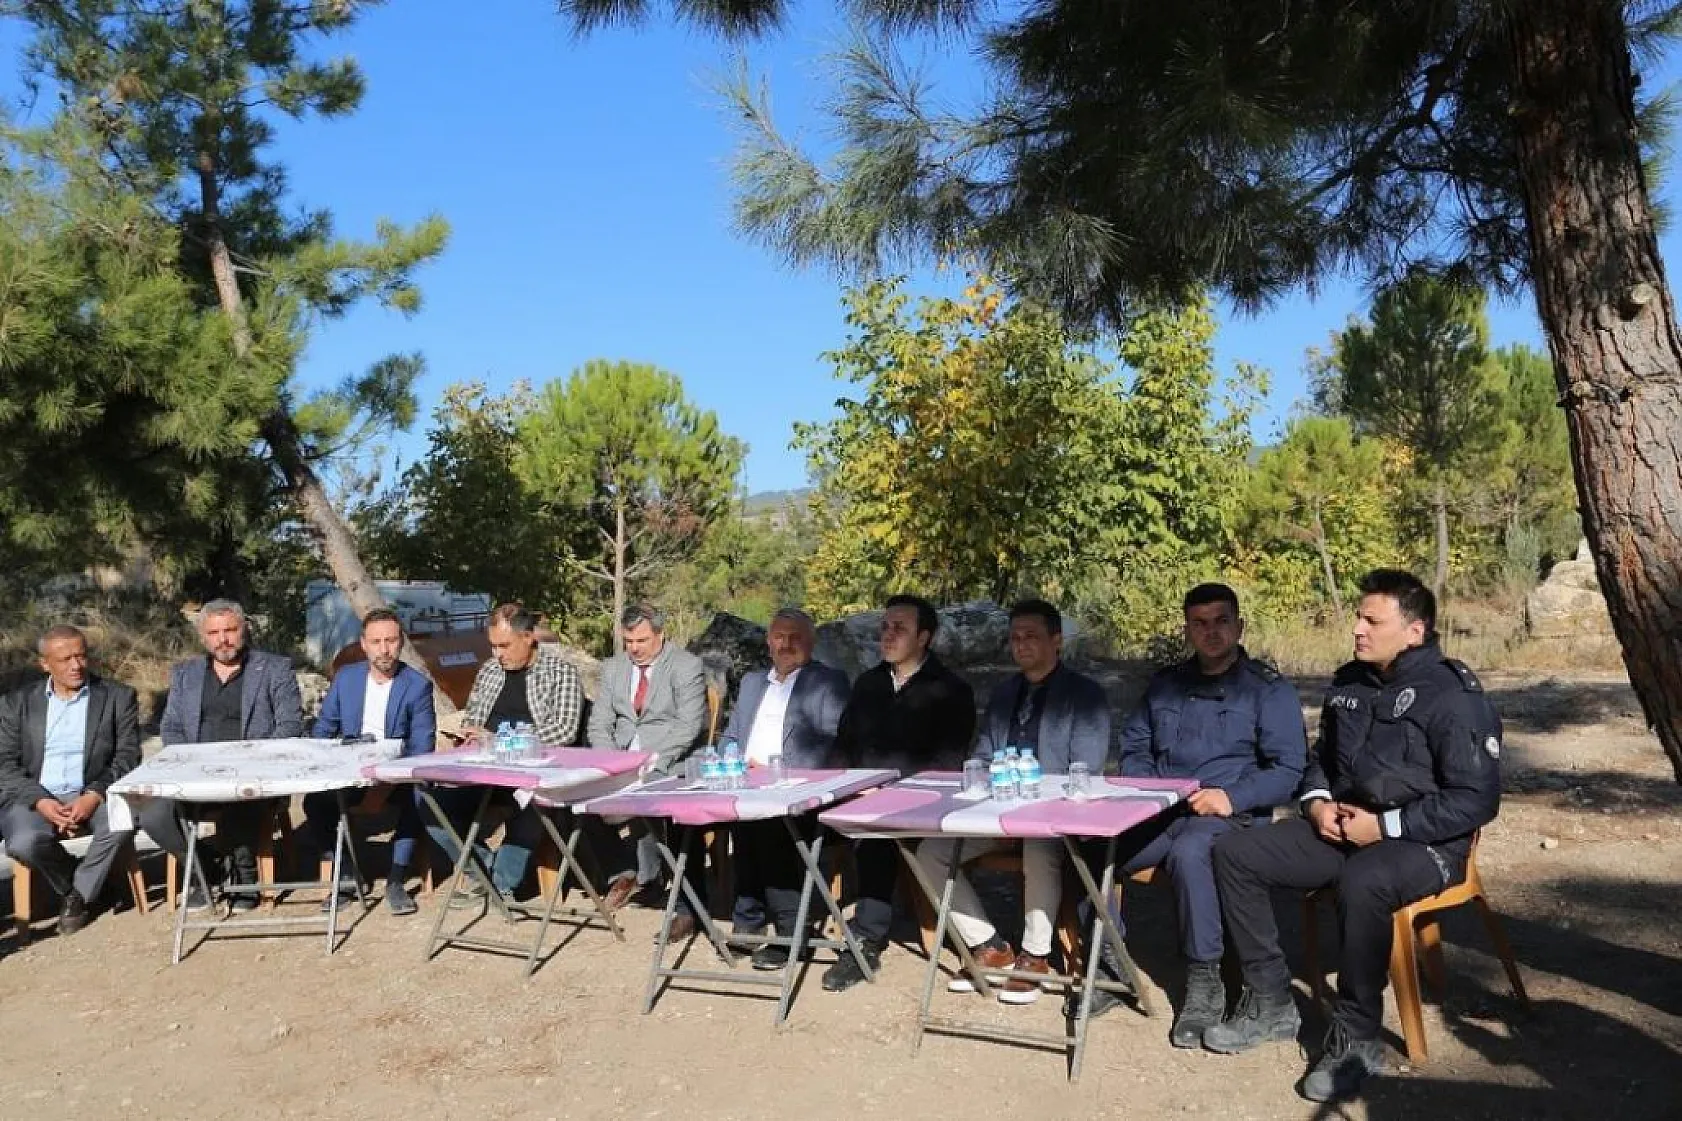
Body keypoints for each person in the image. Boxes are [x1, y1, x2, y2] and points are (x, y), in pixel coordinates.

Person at [1204, 569, 1502, 1103]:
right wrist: (1316, 804)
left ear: (1415, 631)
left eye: (1372, 620)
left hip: (1426, 844)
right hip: (1343, 827)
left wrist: (1385, 827)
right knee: (1234, 850)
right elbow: (1320, 761)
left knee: (1365, 878)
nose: (1357, 629)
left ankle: (1358, 1036)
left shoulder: (1453, 696)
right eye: (1358, 618)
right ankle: (1270, 1001)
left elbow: (1475, 800)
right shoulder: (1349, 683)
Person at [1087, 583, 1307, 1041]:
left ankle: (1204, 982)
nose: (1211, 632)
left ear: (1239, 626)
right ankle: (1112, 964)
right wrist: (1149, 790)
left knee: (1191, 853)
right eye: (1199, 623)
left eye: (1221, 621)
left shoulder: (1267, 690)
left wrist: (1232, 798)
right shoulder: (1166, 685)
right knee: (1090, 848)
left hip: (1233, 815)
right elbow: (1137, 745)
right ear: (1187, 630)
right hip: (1163, 812)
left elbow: (1289, 769)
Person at [912, 599, 1110, 1003]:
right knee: (929, 852)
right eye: (1015, 638)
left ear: (1057, 641)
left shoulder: (1085, 696)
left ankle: (1035, 955)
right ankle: (989, 945)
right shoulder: (1005, 693)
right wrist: (992, 805)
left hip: (1052, 820)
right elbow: (984, 755)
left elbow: (1084, 770)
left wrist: (1027, 812)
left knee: (1040, 846)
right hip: (996, 813)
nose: (1021, 645)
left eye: (1031, 637)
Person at [823, 594, 976, 993]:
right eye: (885, 627)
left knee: (878, 835)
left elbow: (948, 763)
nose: (888, 635)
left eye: (899, 628)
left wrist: (886, 790)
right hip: (857, 796)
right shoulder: (868, 683)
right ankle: (792, 922)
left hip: (919, 803)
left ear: (924, 637)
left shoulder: (951, 690)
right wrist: (836, 787)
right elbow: (842, 746)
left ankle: (865, 939)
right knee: (790, 821)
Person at [141, 599, 303, 910]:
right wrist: (190, 763)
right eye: (214, 632)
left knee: (236, 799)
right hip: (196, 773)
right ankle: (207, 870)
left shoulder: (274, 668)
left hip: (254, 772)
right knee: (153, 814)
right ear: (203, 637)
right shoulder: (185, 674)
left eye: (230, 630)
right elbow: (171, 727)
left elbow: (290, 724)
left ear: (244, 630)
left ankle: (244, 877)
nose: (223, 639)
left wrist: (251, 760)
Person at [721, 607, 851, 968]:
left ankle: (792, 931)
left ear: (811, 643)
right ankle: (748, 922)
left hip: (796, 787)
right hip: (744, 782)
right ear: (768, 641)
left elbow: (828, 743)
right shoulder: (751, 683)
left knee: (768, 826)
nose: (786, 644)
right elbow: (730, 736)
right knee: (737, 821)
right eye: (779, 636)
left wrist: (776, 772)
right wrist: (728, 761)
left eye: (796, 637)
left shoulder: (827, 681)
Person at [450, 603, 598, 900]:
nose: (497, 654)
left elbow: (564, 731)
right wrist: (468, 734)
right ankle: (485, 871)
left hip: (534, 770)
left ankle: (501, 881)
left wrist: (498, 741)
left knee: (532, 800)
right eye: (493, 646)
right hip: (485, 769)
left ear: (528, 637)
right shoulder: (490, 671)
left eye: (504, 645)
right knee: (429, 802)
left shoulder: (560, 672)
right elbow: (473, 718)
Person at [0, 626, 140, 935]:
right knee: (24, 842)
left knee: (121, 823)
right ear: (45, 664)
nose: (76, 665)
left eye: (81, 656)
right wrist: (40, 800)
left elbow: (128, 756)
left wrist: (93, 794)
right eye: (65, 659)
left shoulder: (118, 697)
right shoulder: (16, 703)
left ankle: (76, 897)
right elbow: (5, 765)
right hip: (37, 797)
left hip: (93, 792)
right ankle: (87, 887)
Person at [303, 609, 436, 916]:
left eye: (390, 640)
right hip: (351, 771)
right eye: (376, 641)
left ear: (400, 642)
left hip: (397, 773)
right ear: (364, 644)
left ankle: (397, 878)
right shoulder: (346, 679)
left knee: (420, 796)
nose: (384, 649)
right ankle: (347, 873)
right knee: (315, 803)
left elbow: (422, 747)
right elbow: (325, 730)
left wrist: (387, 784)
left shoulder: (417, 685)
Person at [588, 603, 709, 936]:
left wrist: (652, 763)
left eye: (641, 640)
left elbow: (689, 726)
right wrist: (611, 762)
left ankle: (686, 903)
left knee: (677, 812)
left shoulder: (686, 666)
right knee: (577, 800)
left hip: (669, 759)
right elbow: (599, 723)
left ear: (660, 634)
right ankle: (626, 872)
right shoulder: (614, 669)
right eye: (628, 641)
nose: (634, 648)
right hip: (622, 759)